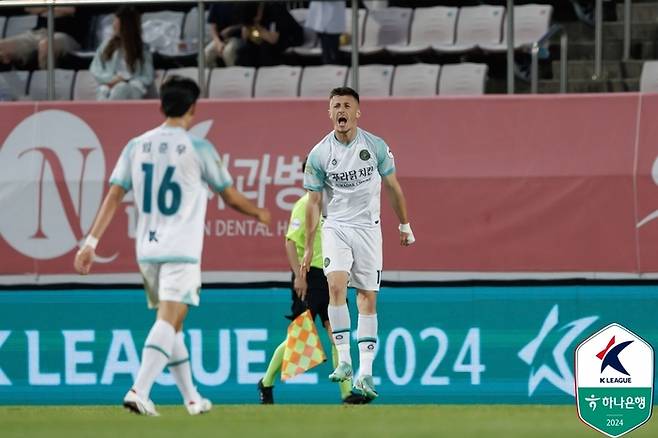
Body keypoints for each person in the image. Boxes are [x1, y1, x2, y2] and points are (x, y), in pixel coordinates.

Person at [74, 76, 271, 416]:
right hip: (181, 250)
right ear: (194, 108)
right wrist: (258, 212)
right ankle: (139, 390)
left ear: (160, 106)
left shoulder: (136, 145)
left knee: (173, 323)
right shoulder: (198, 147)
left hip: (147, 250)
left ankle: (192, 399)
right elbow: (229, 195)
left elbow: (115, 194)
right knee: (168, 320)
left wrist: (90, 242)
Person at [300, 87, 415, 400]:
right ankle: (345, 360)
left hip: (368, 229)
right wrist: (309, 245)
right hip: (336, 227)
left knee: (367, 298)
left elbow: (393, 186)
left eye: (347, 105)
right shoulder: (319, 153)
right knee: (336, 285)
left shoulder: (375, 146)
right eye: (336, 105)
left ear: (357, 112)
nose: (341, 110)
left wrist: (404, 225)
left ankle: (366, 371)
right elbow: (313, 202)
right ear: (329, 113)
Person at [257, 159, 370, 405]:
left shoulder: (337, 205)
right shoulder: (304, 205)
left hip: (332, 277)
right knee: (299, 338)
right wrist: (299, 274)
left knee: (337, 335)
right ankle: (266, 382)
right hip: (309, 277)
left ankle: (347, 394)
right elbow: (289, 242)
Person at [90, 6, 154, 101]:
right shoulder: (106, 45)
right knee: (103, 92)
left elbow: (148, 76)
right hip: (110, 84)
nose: (113, 25)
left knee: (121, 88)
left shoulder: (142, 48)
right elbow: (95, 69)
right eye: (114, 21)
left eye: (117, 22)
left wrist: (128, 80)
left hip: (132, 87)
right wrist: (111, 79)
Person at [0, 6, 89, 70]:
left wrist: (43, 6)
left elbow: (70, 9)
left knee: (46, 45)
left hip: (69, 35)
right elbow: (29, 8)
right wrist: (55, 7)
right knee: (2, 46)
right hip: (39, 33)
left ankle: (46, 90)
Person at [233, 2, 303, 67]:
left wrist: (257, 28)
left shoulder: (275, 10)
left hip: (289, 38)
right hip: (268, 40)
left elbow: (273, 39)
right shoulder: (249, 15)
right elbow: (254, 38)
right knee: (244, 52)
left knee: (266, 49)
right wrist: (249, 33)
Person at [306, 1, 345, 65]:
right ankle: (329, 65)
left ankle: (333, 67)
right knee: (327, 52)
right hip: (322, 20)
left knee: (333, 51)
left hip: (333, 20)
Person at [205, 2, 242, 67]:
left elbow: (247, 24)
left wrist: (231, 29)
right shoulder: (216, 3)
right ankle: (214, 76)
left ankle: (234, 75)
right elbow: (213, 28)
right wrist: (218, 43)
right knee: (206, 53)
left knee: (228, 52)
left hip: (238, 37)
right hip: (220, 39)